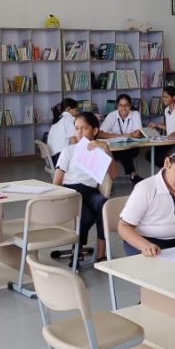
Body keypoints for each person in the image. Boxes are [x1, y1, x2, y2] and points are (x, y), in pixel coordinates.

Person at [54, 111, 116, 261]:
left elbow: (113, 174)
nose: (79, 132)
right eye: (77, 128)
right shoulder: (68, 151)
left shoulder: (100, 151)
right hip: (71, 192)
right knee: (86, 216)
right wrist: (60, 199)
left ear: (95, 131)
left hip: (90, 192)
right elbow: (57, 182)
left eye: (84, 128)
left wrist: (106, 148)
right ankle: (77, 247)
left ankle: (101, 253)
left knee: (103, 204)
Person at [98, 93, 144, 184]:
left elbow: (138, 133)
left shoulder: (135, 114)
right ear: (117, 106)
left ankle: (130, 175)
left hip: (132, 147)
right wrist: (118, 136)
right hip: (114, 149)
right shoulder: (112, 115)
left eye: (126, 105)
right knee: (120, 152)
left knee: (124, 152)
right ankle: (133, 175)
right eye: (120, 105)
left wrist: (125, 136)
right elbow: (100, 133)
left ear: (130, 106)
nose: (123, 108)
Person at [147, 86, 175, 167]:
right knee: (149, 155)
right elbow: (170, 127)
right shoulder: (166, 110)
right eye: (163, 97)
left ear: (174, 97)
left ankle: (167, 171)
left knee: (161, 156)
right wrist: (157, 125)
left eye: (166, 97)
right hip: (169, 140)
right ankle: (166, 170)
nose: (163, 99)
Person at [47, 98, 79, 165]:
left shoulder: (59, 118)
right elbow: (74, 142)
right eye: (76, 110)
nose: (77, 113)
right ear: (68, 109)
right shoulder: (69, 119)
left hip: (53, 158)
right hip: (60, 159)